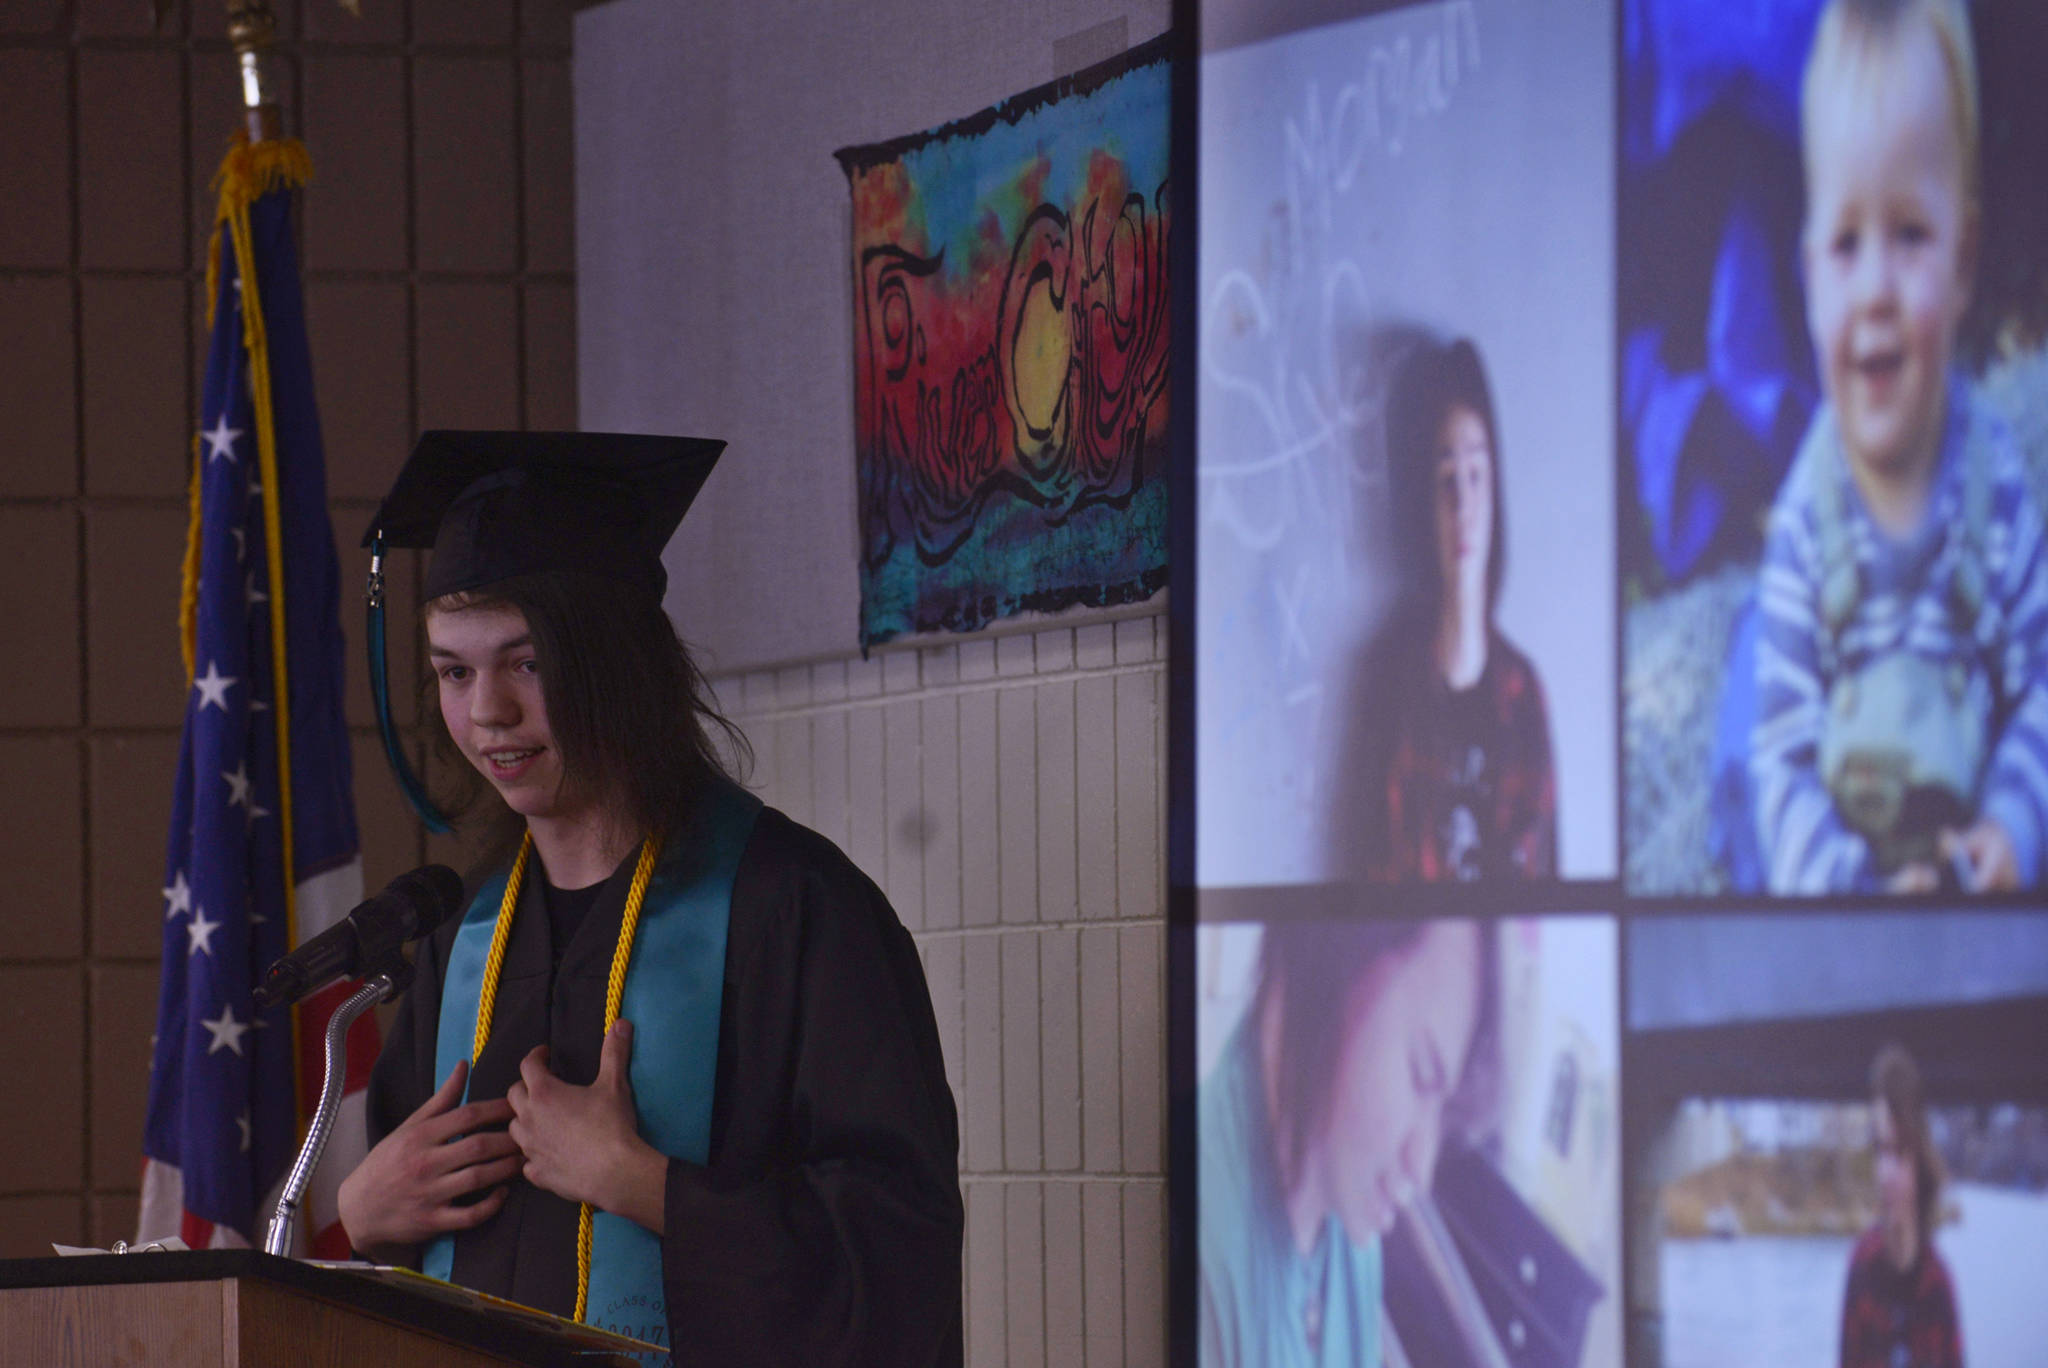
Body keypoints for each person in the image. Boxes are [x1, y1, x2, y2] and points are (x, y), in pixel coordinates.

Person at [334, 431, 964, 1366]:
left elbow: (896, 1263)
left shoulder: (797, 912)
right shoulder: (462, 937)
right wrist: (363, 1214)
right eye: (454, 672)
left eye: (528, 662)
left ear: (618, 659)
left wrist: (644, 1184)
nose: (488, 714)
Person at [1751, 0, 2048, 894]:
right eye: (1846, 245)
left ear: (1963, 265)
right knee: (1747, 739)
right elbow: (1783, 772)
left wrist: (2012, 827)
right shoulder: (1807, 525)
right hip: (1853, 887)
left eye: (1911, 237)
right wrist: (1854, 896)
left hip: (1957, 866)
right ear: (1808, 283)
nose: (1875, 288)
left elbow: (2042, 688)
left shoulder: (1994, 489)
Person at [1198, 916, 1499, 1367]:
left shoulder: (1344, 1214)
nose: (1421, 1167)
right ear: (1329, 969)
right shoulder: (1199, 1265)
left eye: (1441, 1111)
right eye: (1419, 1072)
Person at [1339, 337, 1557, 883]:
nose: (1464, 505)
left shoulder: (1523, 693)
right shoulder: (1387, 681)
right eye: (1446, 482)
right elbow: (1360, 887)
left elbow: (1546, 896)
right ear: (1423, 503)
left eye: (1477, 476)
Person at [1838, 1043, 1963, 1368]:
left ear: (1919, 1163)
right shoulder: (1861, 1266)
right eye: (1880, 1150)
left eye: (1898, 1154)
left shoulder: (1939, 1285)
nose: (1884, 1173)